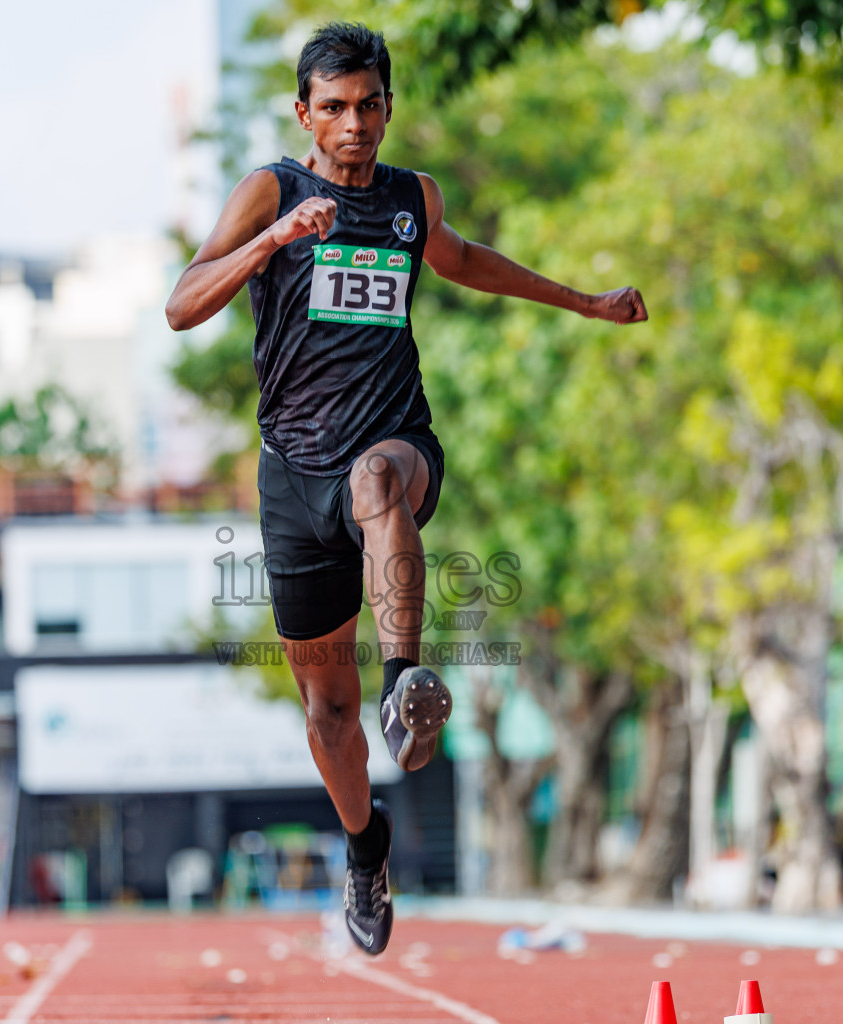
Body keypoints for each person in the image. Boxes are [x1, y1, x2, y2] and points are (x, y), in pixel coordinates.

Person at [165, 22, 647, 956]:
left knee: (379, 477)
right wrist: (273, 239)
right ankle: (365, 848)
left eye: (370, 105)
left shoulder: (408, 199)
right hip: (292, 476)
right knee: (324, 714)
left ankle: (405, 683)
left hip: (393, 441)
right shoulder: (270, 191)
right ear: (304, 113)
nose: (355, 124)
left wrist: (586, 302)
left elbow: (466, 261)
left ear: (389, 108)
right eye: (335, 108)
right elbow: (182, 305)